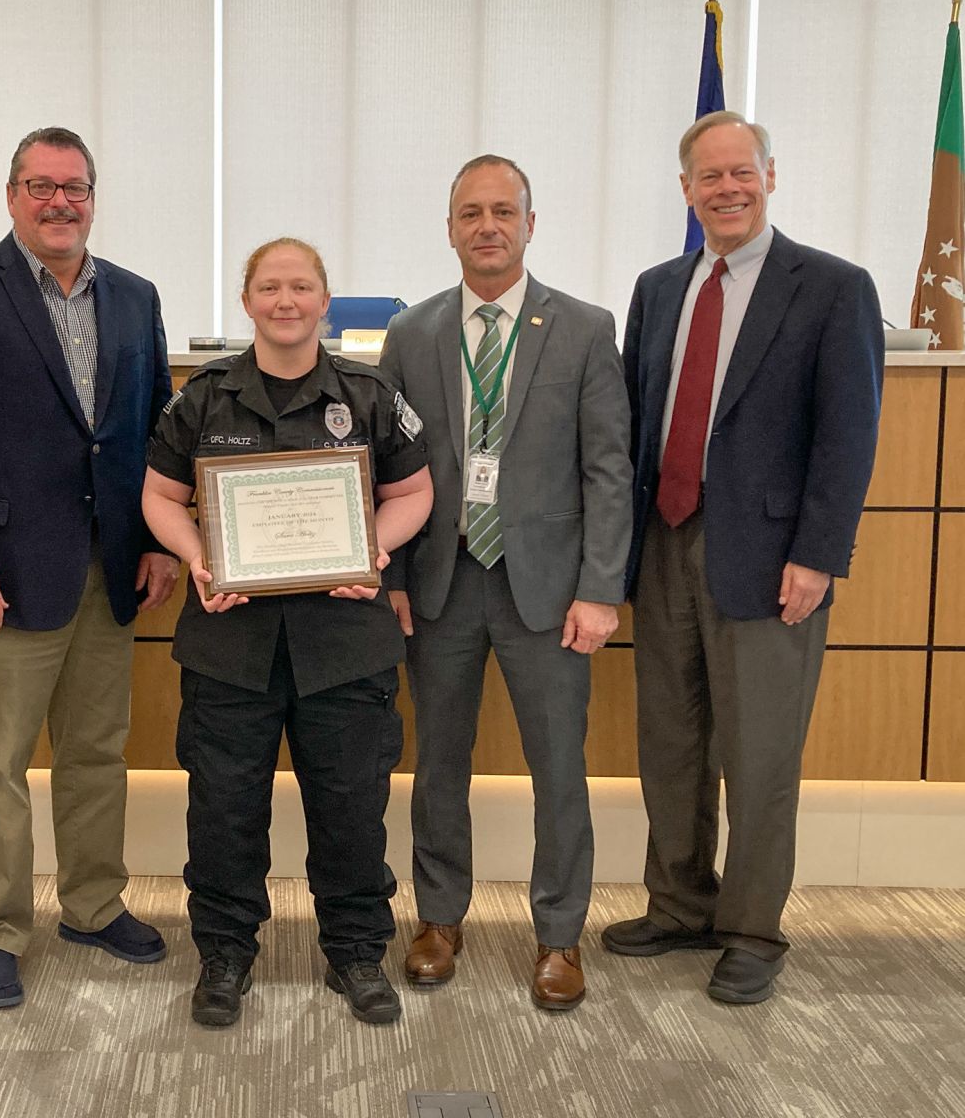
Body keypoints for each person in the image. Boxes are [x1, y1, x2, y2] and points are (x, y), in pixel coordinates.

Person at [605, 111, 884, 1004]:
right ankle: (680, 904)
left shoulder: (834, 287)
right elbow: (639, 426)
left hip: (772, 563)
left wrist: (819, 553)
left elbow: (849, 434)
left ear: (771, 175)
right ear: (685, 190)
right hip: (665, 545)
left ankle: (754, 928)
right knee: (672, 742)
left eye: (741, 173)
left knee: (760, 754)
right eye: (708, 177)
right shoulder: (657, 289)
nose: (727, 189)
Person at [0, 127, 178, 1010]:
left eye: (75, 187)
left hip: (114, 565)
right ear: (12, 193)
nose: (59, 202)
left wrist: (164, 541)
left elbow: (158, 432)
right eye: (40, 185)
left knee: (97, 752)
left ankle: (93, 906)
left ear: (94, 196)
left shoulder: (135, 296)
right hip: (7, 573)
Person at [143, 237, 433, 1027]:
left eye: (301, 286)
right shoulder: (202, 398)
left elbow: (415, 491)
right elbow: (160, 498)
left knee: (350, 807)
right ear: (247, 302)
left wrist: (373, 547)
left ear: (324, 299)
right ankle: (226, 956)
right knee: (225, 811)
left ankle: (356, 954)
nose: (286, 301)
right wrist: (201, 557)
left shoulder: (369, 395)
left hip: (345, 641)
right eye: (269, 287)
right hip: (230, 643)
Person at [378, 155, 632, 1011]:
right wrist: (397, 580)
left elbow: (607, 470)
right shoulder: (411, 334)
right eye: (469, 213)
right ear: (449, 227)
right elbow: (391, 473)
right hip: (443, 583)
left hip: (551, 593)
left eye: (503, 212)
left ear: (531, 223)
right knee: (437, 763)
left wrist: (601, 589)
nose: (486, 226)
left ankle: (559, 935)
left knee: (559, 767)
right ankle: (438, 920)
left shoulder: (586, 329)